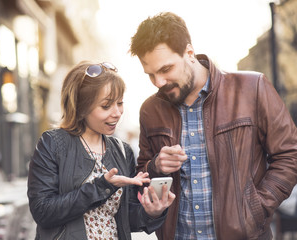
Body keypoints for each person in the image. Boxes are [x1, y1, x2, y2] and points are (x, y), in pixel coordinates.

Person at [129, 12, 297, 240]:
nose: (158, 82)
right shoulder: (150, 109)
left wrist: (257, 207)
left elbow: (289, 154)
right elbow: (140, 177)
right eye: (151, 75)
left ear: (189, 53)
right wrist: (156, 166)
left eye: (166, 69)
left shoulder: (252, 88)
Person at [27, 61, 175, 240]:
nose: (117, 113)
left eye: (120, 103)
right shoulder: (53, 143)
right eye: (106, 106)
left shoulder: (122, 151)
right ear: (81, 107)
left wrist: (152, 212)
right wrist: (102, 187)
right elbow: (43, 211)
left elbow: (126, 219)